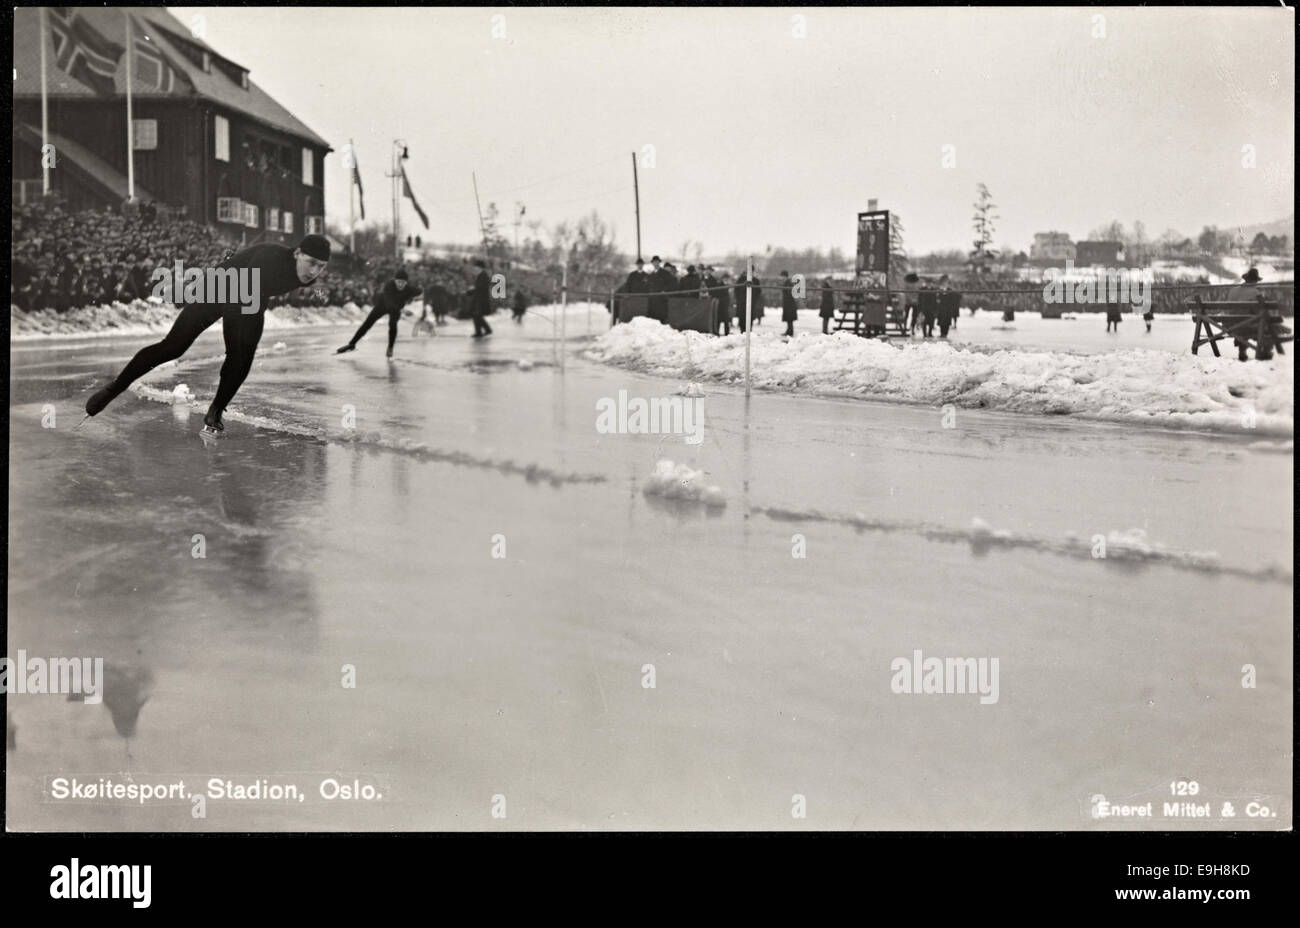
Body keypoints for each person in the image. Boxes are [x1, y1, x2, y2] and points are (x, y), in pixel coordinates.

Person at [84, 234, 332, 432]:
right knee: (174, 347)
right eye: (311, 262)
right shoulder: (271, 257)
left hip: (251, 297)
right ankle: (113, 388)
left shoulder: (307, 277)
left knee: (244, 356)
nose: (314, 271)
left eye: (321, 267)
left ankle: (216, 410)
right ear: (297, 253)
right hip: (218, 290)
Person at [337, 268, 424, 358]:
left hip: (396, 309)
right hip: (382, 306)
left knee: (393, 325)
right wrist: (402, 310)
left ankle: (390, 348)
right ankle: (352, 344)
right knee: (367, 324)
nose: (401, 284)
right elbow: (389, 303)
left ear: (406, 283)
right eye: (399, 282)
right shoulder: (389, 285)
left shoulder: (409, 289)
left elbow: (420, 291)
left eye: (403, 282)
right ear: (395, 281)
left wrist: (419, 296)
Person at [468, 259, 494, 338]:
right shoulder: (480, 275)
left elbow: (481, 287)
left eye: (477, 268)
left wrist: (472, 289)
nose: (475, 269)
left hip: (481, 299)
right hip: (478, 298)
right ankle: (483, 331)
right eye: (475, 268)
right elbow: (478, 288)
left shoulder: (483, 276)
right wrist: (471, 291)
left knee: (477, 315)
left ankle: (482, 331)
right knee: (476, 315)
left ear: (481, 268)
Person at [780, 270, 798, 337]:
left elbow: (790, 293)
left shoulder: (788, 283)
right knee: (788, 318)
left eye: (782, 276)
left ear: (785, 276)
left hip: (790, 304)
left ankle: (790, 332)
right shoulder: (786, 282)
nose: (781, 278)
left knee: (789, 318)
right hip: (787, 303)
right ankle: (788, 331)